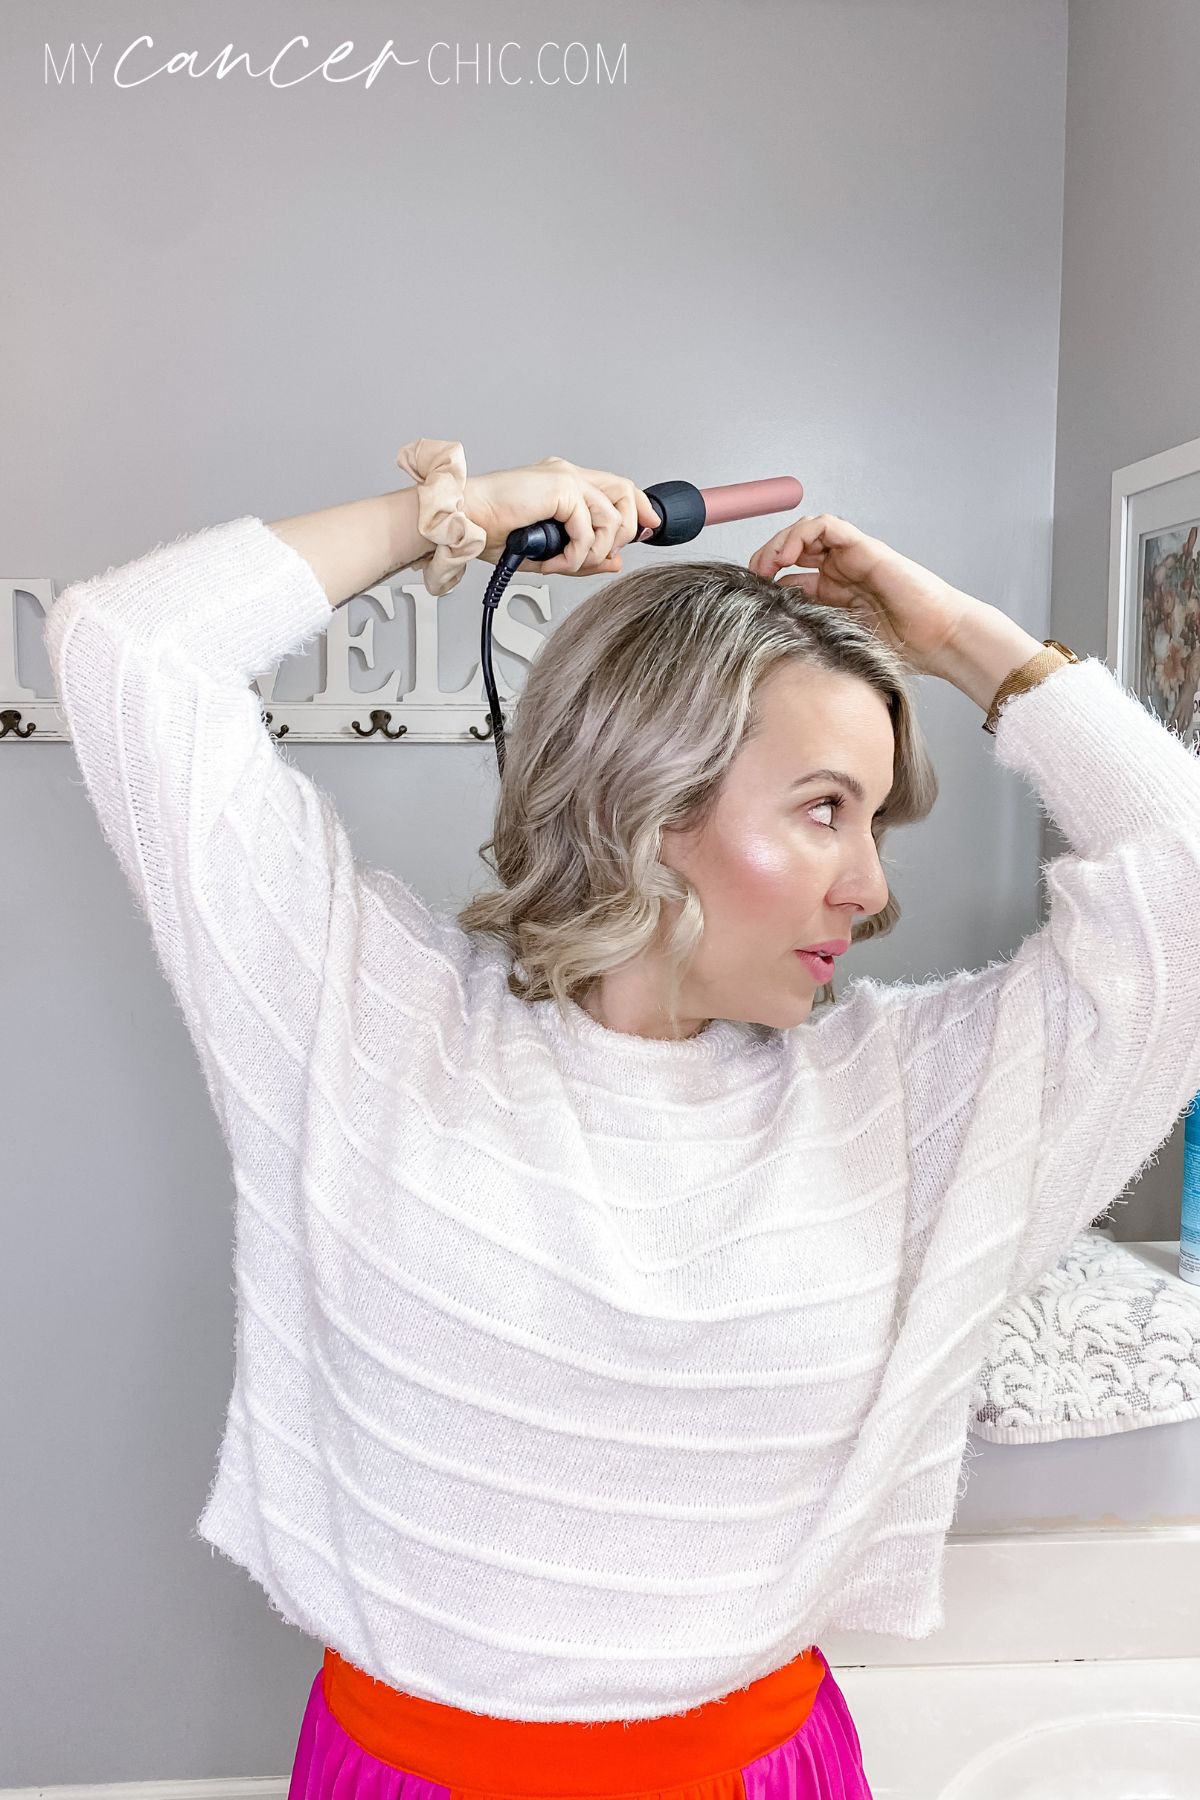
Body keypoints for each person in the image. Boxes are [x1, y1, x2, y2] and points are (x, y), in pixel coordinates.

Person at [44, 443, 1200, 1800]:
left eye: (877, 820)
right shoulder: (360, 1021)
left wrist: (958, 640)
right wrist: (447, 520)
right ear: (649, 805)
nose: (871, 889)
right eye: (827, 810)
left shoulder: (913, 1109)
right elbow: (125, 648)